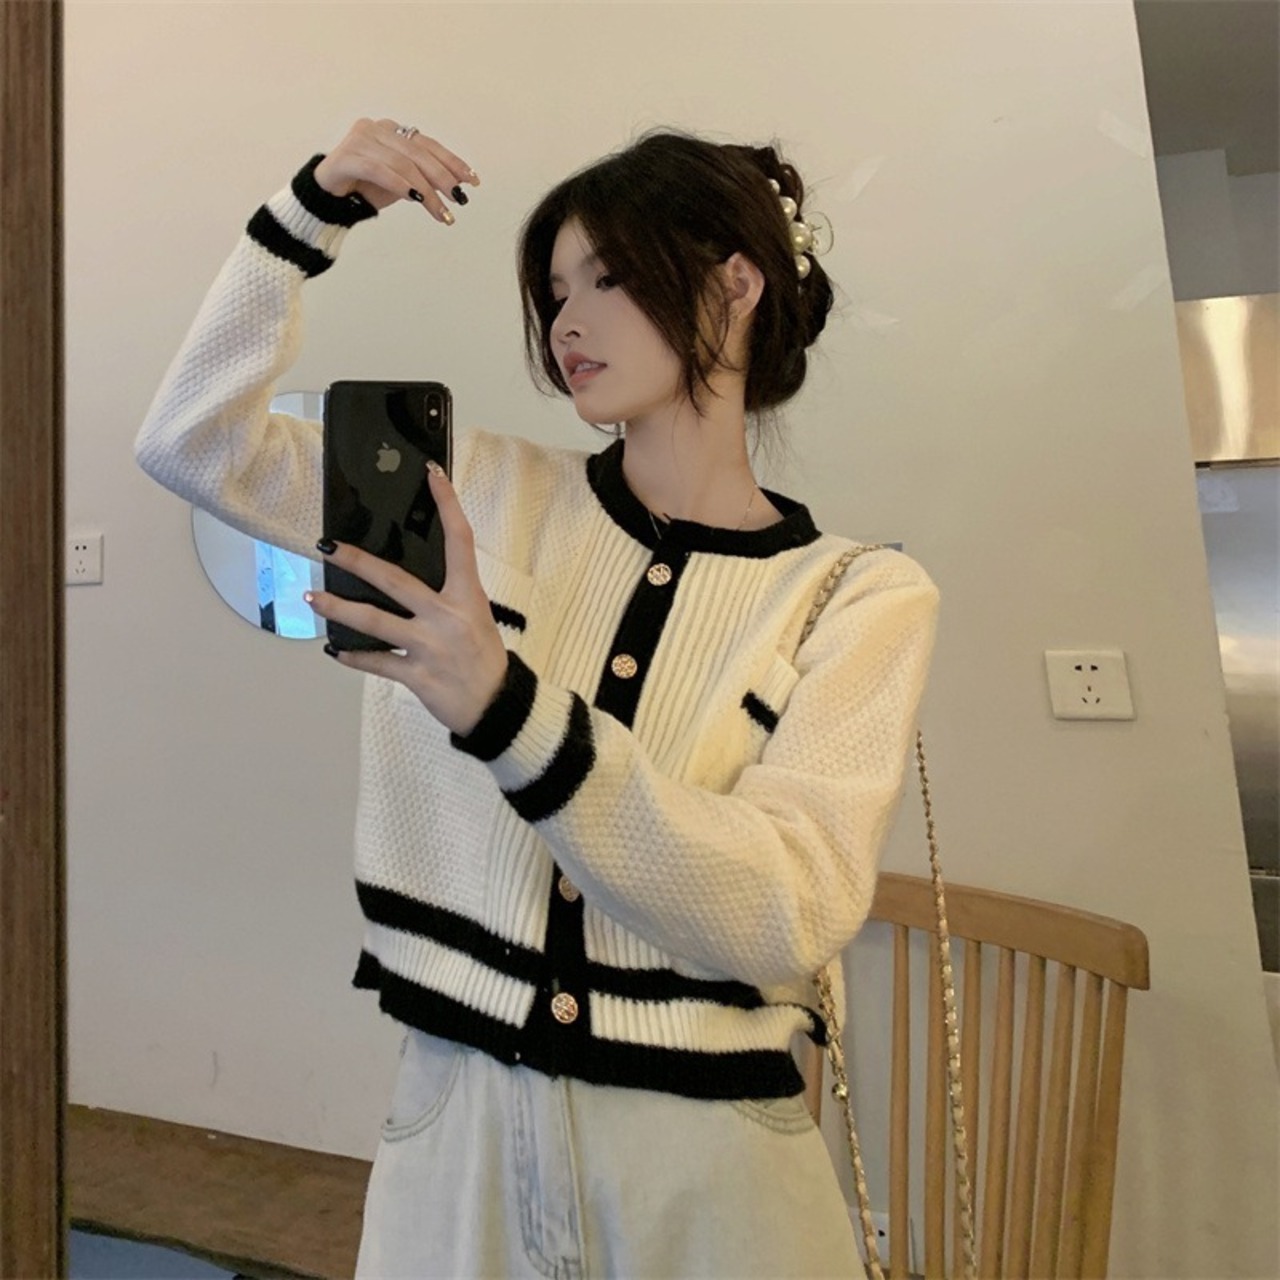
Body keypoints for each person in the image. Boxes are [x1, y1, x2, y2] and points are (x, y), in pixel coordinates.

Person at [135, 117, 939, 1279]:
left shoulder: (853, 597)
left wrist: (502, 708)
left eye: (606, 277)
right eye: (554, 290)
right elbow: (189, 443)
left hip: (708, 1163)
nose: (565, 320)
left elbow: (788, 908)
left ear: (735, 284)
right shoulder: (474, 493)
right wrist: (310, 210)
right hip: (454, 1126)